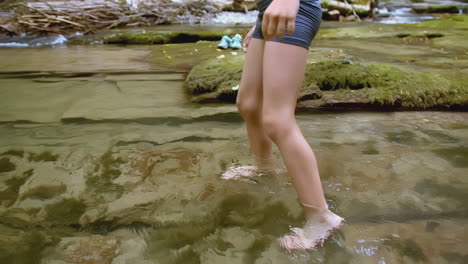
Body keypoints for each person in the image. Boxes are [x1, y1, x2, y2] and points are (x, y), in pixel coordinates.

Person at [235, 0, 345, 250]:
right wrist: (259, 20)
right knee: (249, 104)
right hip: (269, 10)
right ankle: (263, 168)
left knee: (277, 119)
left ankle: (321, 217)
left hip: (294, 6)